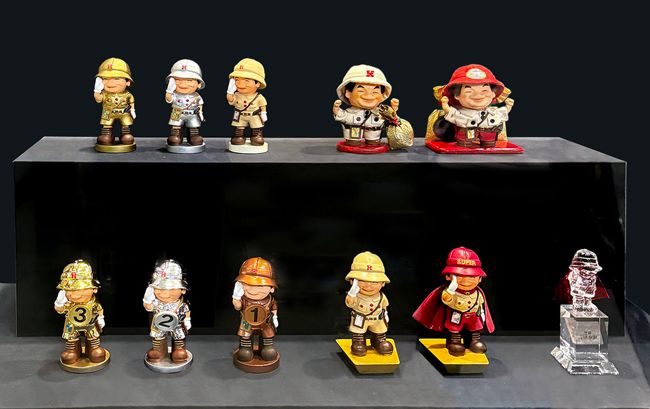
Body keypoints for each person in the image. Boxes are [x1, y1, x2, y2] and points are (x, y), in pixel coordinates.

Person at [413, 247, 494, 356]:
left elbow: (481, 305)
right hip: (456, 316)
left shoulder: (478, 293)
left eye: (472, 276)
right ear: (448, 276)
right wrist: (451, 289)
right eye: (459, 275)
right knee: (454, 329)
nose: (466, 281)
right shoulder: (450, 291)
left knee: (475, 329)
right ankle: (454, 341)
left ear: (480, 278)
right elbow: (446, 299)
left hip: (474, 316)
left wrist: (482, 315)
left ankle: (474, 341)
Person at [435, 64, 514, 148]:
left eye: (484, 90)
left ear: (493, 93)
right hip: (467, 131)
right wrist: (445, 104)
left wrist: (508, 106)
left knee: (489, 142)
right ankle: (464, 144)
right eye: (469, 91)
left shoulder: (492, 111)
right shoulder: (462, 112)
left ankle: (488, 144)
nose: (478, 95)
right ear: (457, 95)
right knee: (464, 141)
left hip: (489, 131)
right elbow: (451, 113)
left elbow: (502, 113)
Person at [54, 260, 107, 365]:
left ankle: (93, 348)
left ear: (94, 289)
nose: (74, 295)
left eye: (80, 289)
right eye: (70, 290)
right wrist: (59, 302)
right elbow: (59, 310)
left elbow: (99, 310)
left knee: (93, 336)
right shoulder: (69, 304)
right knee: (71, 337)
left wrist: (101, 319)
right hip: (71, 323)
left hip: (90, 321)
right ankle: (72, 350)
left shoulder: (93, 304)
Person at [333, 64, 399, 148]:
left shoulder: (379, 111)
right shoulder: (351, 112)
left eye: (375, 92)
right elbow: (341, 115)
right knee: (353, 142)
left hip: (374, 131)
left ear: (382, 95)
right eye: (361, 90)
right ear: (348, 93)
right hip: (353, 130)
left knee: (374, 142)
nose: (368, 96)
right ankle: (353, 141)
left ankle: (373, 141)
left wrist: (393, 108)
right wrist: (336, 108)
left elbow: (390, 115)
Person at [344, 251, 393, 356]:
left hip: (377, 319)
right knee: (358, 333)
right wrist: (352, 292)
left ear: (383, 283)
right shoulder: (355, 295)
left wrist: (386, 314)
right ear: (353, 281)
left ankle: (379, 341)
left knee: (379, 332)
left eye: (374, 282)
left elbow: (385, 305)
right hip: (360, 319)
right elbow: (349, 304)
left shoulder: (381, 296)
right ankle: (358, 341)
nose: (368, 285)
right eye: (362, 281)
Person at [143, 260, 191, 363]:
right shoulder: (157, 303)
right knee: (158, 337)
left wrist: (187, 320)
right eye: (160, 289)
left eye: (171, 289)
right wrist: (148, 296)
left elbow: (186, 312)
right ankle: (158, 351)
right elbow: (148, 307)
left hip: (177, 324)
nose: (164, 294)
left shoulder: (181, 305)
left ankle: (178, 350)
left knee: (178, 337)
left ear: (183, 290)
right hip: (159, 324)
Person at [231, 257, 279, 362]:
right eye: (248, 284)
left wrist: (275, 317)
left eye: (260, 286)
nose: (254, 290)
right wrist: (236, 298)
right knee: (245, 339)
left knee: (268, 338)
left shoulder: (270, 300)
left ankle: (267, 348)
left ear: (272, 288)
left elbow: (274, 308)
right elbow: (238, 307)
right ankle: (245, 348)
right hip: (247, 322)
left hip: (265, 322)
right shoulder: (244, 299)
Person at [93, 57, 136, 147]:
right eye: (105, 79)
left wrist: (133, 110)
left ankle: (126, 135)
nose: (110, 83)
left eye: (116, 78)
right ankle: (107, 135)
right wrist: (97, 90)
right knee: (106, 127)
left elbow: (131, 102)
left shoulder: (128, 95)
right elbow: (98, 99)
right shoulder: (104, 94)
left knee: (126, 127)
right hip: (108, 112)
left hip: (124, 112)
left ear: (128, 82)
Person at [226, 58, 268, 147]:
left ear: (257, 83)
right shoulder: (237, 95)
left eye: (246, 80)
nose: (240, 84)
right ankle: (239, 136)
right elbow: (230, 100)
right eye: (237, 80)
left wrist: (264, 113)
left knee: (256, 127)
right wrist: (230, 91)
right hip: (240, 115)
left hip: (254, 115)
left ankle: (256, 136)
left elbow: (263, 105)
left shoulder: (258, 97)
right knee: (239, 128)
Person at [165, 59, 205, 147]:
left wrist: (201, 113)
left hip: (192, 114)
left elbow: (200, 105)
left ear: (199, 84)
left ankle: (193, 136)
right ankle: (176, 135)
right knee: (176, 127)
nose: (182, 84)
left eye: (189, 80)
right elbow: (169, 99)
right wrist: (169, 90)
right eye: (177, 80)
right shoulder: (174, 94)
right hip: (177, 112)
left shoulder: (196, 96)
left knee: (193, 127)